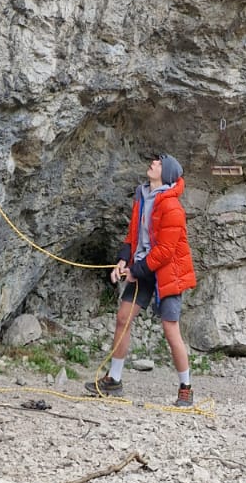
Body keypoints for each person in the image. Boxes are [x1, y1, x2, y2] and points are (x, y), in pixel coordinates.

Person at [85, 154, 198, 408]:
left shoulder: (172, 207)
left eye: (158, 163)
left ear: (166, 174)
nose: (153, 163)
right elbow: (132, 237)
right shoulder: (143, 196)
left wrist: (137, 269)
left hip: (167, 272)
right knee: (123, 318)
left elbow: (165, 252)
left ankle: (186, 387)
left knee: (171, 331)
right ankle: (114, 380)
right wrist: (123, 261)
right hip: (143, 267)